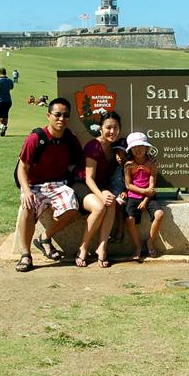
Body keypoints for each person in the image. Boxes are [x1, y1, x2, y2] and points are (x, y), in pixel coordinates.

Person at [14, 98, 84, 272]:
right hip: (33, 184)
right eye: (57, 115)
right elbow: (22, 168)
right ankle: (26, 254)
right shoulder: (36, 138)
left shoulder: (69, 139)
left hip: (58, 184)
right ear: (48, 116)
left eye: (66, 116)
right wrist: (27, 191)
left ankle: (45, 237)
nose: (61, 119)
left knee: (72, 207)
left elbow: (77, 163)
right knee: (27, 207)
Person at [73, 110, 121, 268]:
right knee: (99, 207)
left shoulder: (115, 147)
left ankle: (102, 248)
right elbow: (88, 178)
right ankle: (83, 247)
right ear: (100, 128)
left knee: (111, 201)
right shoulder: (94, 146)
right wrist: (100, 195)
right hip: (81, 184)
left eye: (115, 127)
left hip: (100, 186)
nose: (112, 131)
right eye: (108, 127)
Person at [123, 131, 165, 261]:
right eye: (134, 147)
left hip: (149, 196)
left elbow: (151, 186)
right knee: (129, 219)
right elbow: (128, 185)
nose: (138, 150)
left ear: (147, 147)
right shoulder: (129, 165)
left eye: (141, 146)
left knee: (159, 214)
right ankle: (138, 246)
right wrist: (143, 192)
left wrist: (146, 200)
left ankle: (150, 241)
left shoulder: (152, 163)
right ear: (130, 149)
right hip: (133, 196)